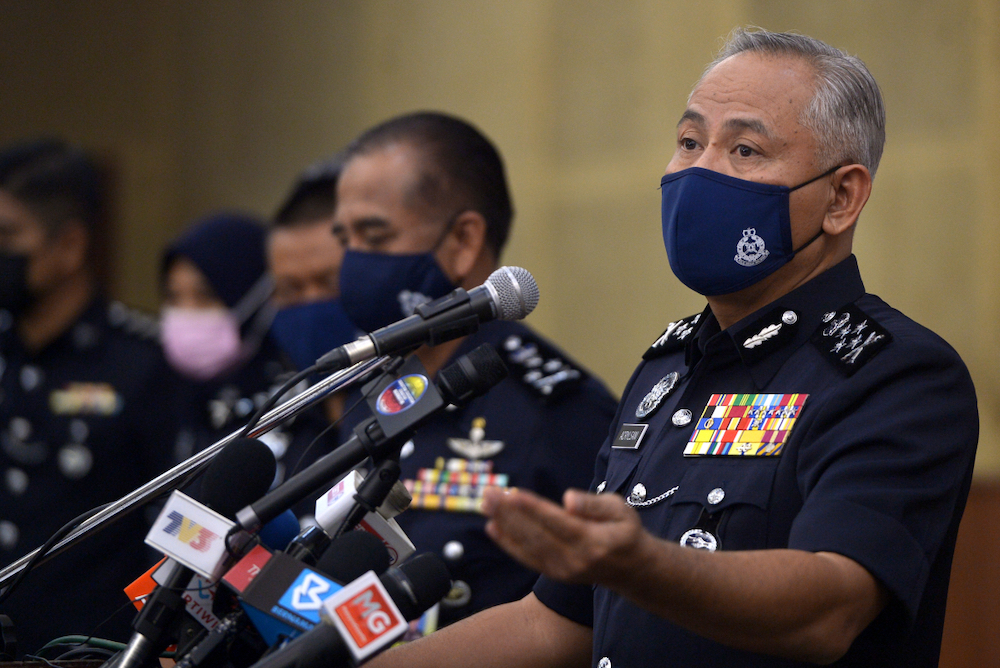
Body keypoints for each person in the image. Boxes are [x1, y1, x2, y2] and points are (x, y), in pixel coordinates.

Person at [364, 28, 979, 668]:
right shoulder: (669, 369)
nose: (699, 171)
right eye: (689, 142)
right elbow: (553, 624)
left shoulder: (897, 376)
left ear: (841, 197)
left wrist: (643, 565)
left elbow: (829, 610)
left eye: (744, 150)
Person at [331, 112, 619, 628]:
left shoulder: (557, 412)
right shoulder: (369, 388)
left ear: (463, 241)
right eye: (345, 240)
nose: (353, 263)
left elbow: (593, 617)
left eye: (374, 237)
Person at [0, 140, 176, 653]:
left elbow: (173, 523)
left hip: (87, 650)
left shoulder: (144, 363)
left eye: (7, 235)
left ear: (70, 246)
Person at [160, 212, 333, 494]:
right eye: (173, 296)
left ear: (256, 297)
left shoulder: (301, 410)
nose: (187, 312)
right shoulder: (172, 399)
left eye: (205, 296)